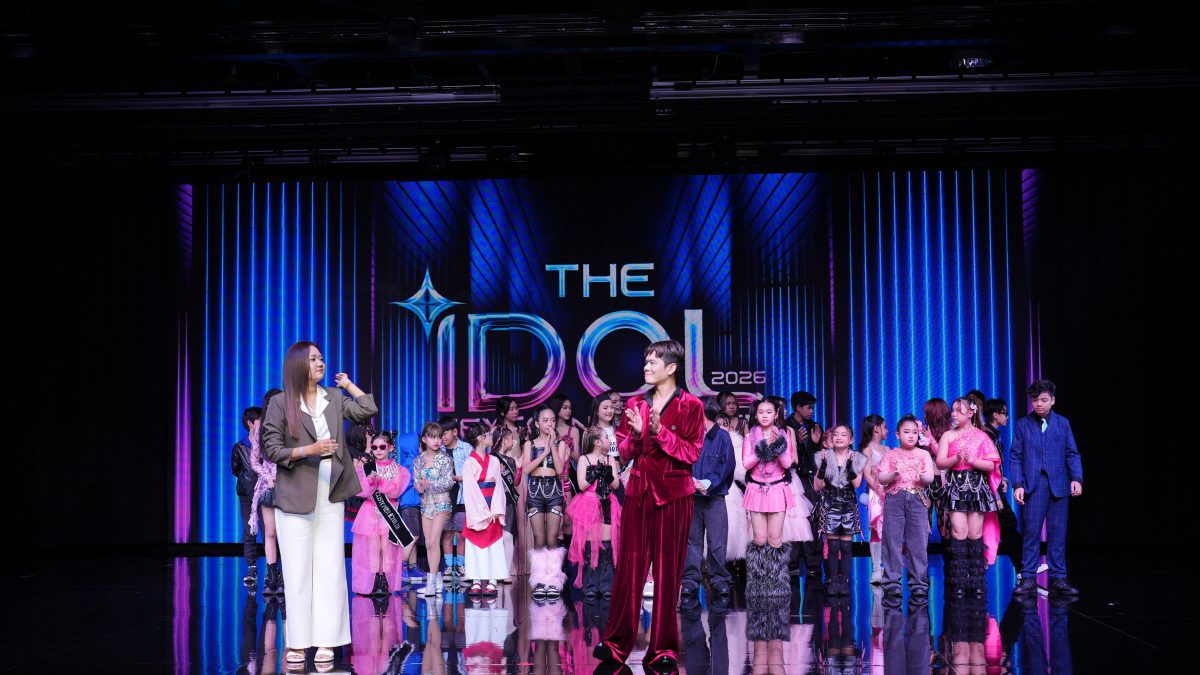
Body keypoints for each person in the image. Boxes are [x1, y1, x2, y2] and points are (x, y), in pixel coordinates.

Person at [261, 341, 378, 665]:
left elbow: (368, 409)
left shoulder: (334, 397)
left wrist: (348, 385)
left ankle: (328, 640)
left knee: (330, 568)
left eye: (321, 358)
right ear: (298, 364)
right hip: (295, 495)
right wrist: (308, 451)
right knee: (297, 571)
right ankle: (298, 643)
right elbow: (272, 448)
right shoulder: (281, 403)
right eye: (313, 359)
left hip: (330, 493)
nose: (320, 363)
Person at [594, 340, 704, 672]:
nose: (646, 366)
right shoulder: (636, 404)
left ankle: (663, 648)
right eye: (645, 361)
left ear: (671, 367)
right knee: (630, 570)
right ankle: (616, 643)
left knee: (668, 573)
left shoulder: (692, 405)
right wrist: (640, 434)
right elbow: (624, 452)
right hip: (640, 493)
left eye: (653, 362)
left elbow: (691, 452)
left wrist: (659, 432)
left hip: (674, 495)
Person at [1011, 379, 1083, 597]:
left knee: (1058, 533)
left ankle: (1058, 577)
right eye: (1035, 400)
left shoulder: (1063, 423)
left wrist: (1076, 478)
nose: (1039, 404)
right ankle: (1028, 577)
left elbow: (1072, 453)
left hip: (1059, 484)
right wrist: (1017, 484)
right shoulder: (1023, 424)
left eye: (1043, 400)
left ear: (1052, 400)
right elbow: (1016, 456)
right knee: (1031, 533)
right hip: (1034, 485)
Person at [936, 397, 1003, 596]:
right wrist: (956, 459)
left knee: (975, 533)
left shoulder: (982, 436)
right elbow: (940, 462)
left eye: (959, 410)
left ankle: (976, 580)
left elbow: (991, 465)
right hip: (956, 486)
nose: (954, 414)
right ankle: (958, 581)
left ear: (971, 413)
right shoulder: (948, 435)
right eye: (953, 410)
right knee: (958, 532)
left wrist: (973, 460)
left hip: (976, 487)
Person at [681, 396, 735, 603]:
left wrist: (708, 483)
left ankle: (719, 580)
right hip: (691, 497)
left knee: (717, 541)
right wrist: (690, 481)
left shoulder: (722, 437)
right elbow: (681, 461)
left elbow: (727, 465)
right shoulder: (688, 436)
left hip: (714, 497)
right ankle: (690, 581)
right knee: (691, 541)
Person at [877, 414, 937, 599]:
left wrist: (922, 476)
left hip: (917, 499)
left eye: (914, 432)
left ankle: (918, 583)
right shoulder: (891, 454)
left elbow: (929, 478)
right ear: (897, 434)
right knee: (892, 541)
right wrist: (893, 474)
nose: (911, 435)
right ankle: (892, 582)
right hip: (895, 499)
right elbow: (882, 478)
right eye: (906, 432)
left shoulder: (923, 454)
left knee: (918, 542)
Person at [742, 398, 795, 598]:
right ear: (756, 415)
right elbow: (747, 464)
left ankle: (776, 584)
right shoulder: (750, 436)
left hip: (777, 488)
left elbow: (788, 463)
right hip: (756, 489)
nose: (764, 415)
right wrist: (764, 447)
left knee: (775, 539)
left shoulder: (783, 435)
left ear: (776, 414)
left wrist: (777, 445)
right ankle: (758, 583)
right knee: (759, 539)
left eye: (769, 412)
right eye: (761, 412)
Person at [351, 430, 411, 596]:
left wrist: (381, 481)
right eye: (375, 447)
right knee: (372, 549)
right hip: (370, 511)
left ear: (390, 448)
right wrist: (370, 482)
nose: (378, 450)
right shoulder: (367, 468)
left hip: (388, 512)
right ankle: (374, 582)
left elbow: (395, 491)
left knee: (387, 549)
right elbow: (361, 491)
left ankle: (385, 581)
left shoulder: (398, 469)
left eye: (382, 447)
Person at [567, 426, 622, 599]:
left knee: (606, 542)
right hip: (589, 504)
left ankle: (606, 584)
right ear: (598, 442)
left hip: (607, 503)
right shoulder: (584, 459)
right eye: (606, 437)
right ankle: (590, 584)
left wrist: (607, 474)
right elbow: (582, 485)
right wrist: (595, 472)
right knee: (591, 543)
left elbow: (616, 485)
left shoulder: (610, 459)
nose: (609, 440)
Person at [521, 405, 570, 598]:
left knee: (552, 537)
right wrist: (544, 453)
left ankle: (553, 581)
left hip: (554, 490)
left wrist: (553, 447)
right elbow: (526, 469)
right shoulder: (529, 445)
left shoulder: (561, 444)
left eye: (552, 420)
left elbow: (560, 470)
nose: (550, 423)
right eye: (545, 420)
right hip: (535, 491)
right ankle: (540, 580)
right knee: (539, 538)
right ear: (537, 423)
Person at [813, 424, 867, 596]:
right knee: (833, 545)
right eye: (836, 434)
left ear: (850, 439)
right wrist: (823, 466)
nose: (839, 437)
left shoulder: (858, 458)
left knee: (846, 546)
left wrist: (850, 465)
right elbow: (817, 486)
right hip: (830, 502)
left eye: (844, 435)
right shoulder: (823, 456)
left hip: (848, 502)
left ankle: (844, 582)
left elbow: (857, 484)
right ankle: (832, 580)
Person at [462, 423, 510, 597]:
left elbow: (498, 487)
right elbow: (470, 491)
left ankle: (492, 580)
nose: (491, 436)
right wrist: (482, 511)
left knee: (494, 545)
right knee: (475, 545)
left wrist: (495, 509)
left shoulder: (495, 461)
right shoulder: (469, 463)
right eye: (488, 434)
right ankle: (476, 580)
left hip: (492, 507)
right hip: (478, 508)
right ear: (480, 438)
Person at [784, 391, 825, 583]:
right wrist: (798, 443)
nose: (811, 411)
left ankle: (813, 565)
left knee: (813, 520)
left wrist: (816, 445)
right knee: (792, 521)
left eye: (813, 407)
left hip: (809, 479)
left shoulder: (814, 427)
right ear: (798, 407)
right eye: (809, 407)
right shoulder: (786, 426)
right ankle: (791, 564)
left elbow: (819, 458)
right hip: (792, 479)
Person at [983, 398, 1023, 577]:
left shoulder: (994, 435)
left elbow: (997, 466)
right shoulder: (987, 436)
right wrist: (997, 494)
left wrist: (1003, 479)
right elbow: (989, 467)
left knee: (1006, 526)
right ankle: (1022, 569)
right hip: (990, 490)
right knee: (1007, 525)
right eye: (1005, 413)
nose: (1007, 417)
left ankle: (1021, 568)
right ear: (995, 414)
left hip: (996, 487)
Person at [249, 389, 284, 596]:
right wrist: (268, 476)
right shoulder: (260, 428)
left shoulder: (291, 425)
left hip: (289, 485)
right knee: (270, 532)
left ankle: (286, 577)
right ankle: (272, 578)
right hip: (268, 486)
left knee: (286, 533)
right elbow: (254, 461)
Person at [413, 421, 454, 596]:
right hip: (425, 504)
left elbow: (449, 482)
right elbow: (417, 482)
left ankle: (431, 584)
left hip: (441, 502)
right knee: (428, 544)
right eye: (432, 437)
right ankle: (436, 581)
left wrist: (431, 484)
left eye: (438, 437)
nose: (436, 441)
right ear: (424, 439)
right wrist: (420, 486)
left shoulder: (445, 459)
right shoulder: (418, 460)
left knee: (433, 542)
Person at [232, 406, 263, 586]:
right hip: (246, 494)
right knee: (249, 530)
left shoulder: (267, 444)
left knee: (269, 531)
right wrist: (247, 481)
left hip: (265, 493)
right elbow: (235, 469)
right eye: (259, 419)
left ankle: (273, 568)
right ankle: (251, 567)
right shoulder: (239, 447)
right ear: (250, 423)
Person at [439, 416, 472, 584]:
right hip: (444, 498)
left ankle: (460, 566)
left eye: (445, 433)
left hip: (462, 497)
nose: (442, 437)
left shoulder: (466, 448)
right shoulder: (439, 450)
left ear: (454, 432)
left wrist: (460, 478)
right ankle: (449, 566)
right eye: (440, 434)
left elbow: (475, 472)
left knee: (460, 534)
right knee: (447, 533)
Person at [859, 414, 890, 585]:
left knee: (889, 530)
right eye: (884, 427)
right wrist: (878, 490)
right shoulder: (867, 449)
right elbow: (867, 475)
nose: (887, 430)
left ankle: (888, 566)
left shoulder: (887, 449)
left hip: (889, 492)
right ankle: (876, 569)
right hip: (875, 494)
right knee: (876, 530)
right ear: (876, 429)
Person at [717, 412, 750, 566]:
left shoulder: (736, 444)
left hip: (731, 490)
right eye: (719, 424)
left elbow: (742, 472)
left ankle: (732, 565)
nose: (722, 428)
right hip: (710, 490)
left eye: (725, 425)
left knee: (733, 528)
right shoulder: (705, 442)